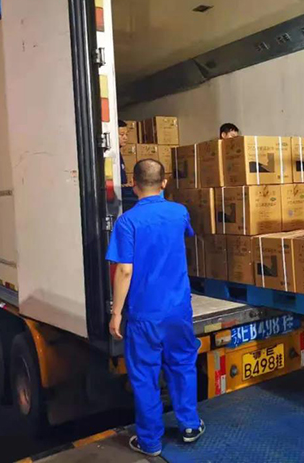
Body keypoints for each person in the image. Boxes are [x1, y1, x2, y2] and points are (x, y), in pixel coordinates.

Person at [106, 159, 205, 456]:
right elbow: (185, 236)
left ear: (132, 184)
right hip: (178, 310)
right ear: (164, 183)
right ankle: (190, 425)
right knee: (182, 365)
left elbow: (124, 270)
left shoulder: (127, 222)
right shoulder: (179, 212)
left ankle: (150, 442)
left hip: (144, 315)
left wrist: (116, 313)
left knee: (145, 376)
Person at [118, 120, 138, 209]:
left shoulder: (118, 153)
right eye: (122, 135)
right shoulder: (109, 155)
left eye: (126, 135)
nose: (125, 138)